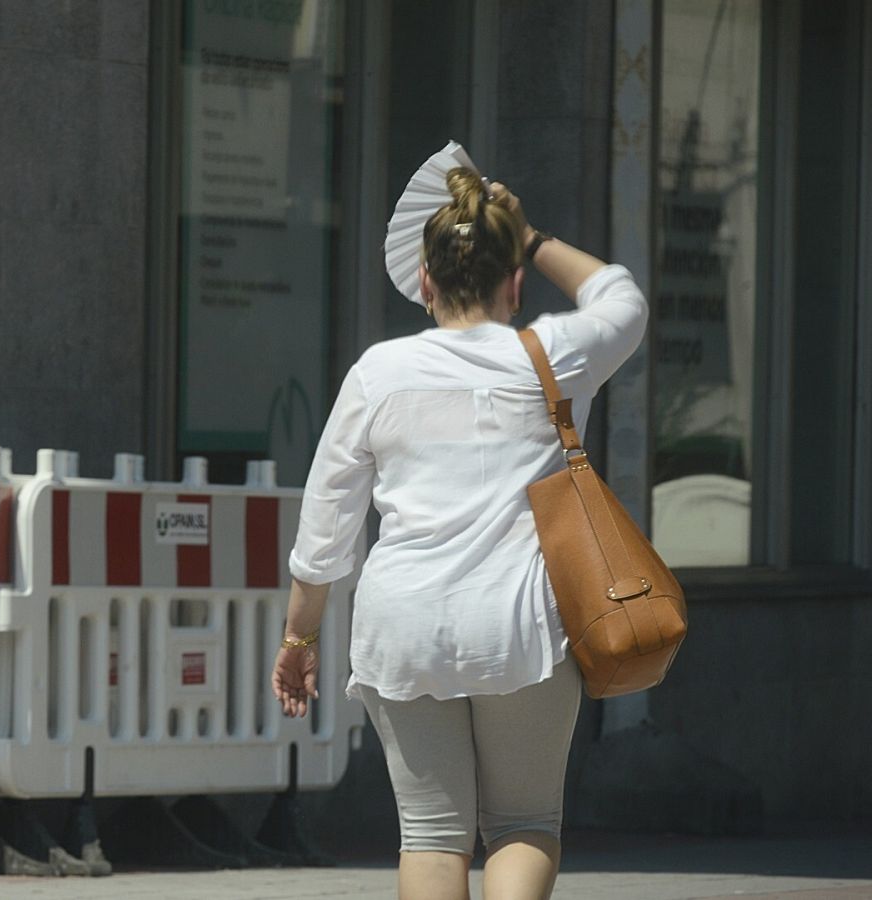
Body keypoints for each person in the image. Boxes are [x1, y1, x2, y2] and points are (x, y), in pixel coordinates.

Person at [272, 169, 648, 900]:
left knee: (432, 835)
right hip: (521, 627)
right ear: (514, 283)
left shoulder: (379, 372)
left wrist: (299, 637)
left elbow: (328, 522)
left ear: (423, 280)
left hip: (404, 625)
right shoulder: (554, 357)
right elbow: (621, 297)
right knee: (523, 824)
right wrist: (533, 236)